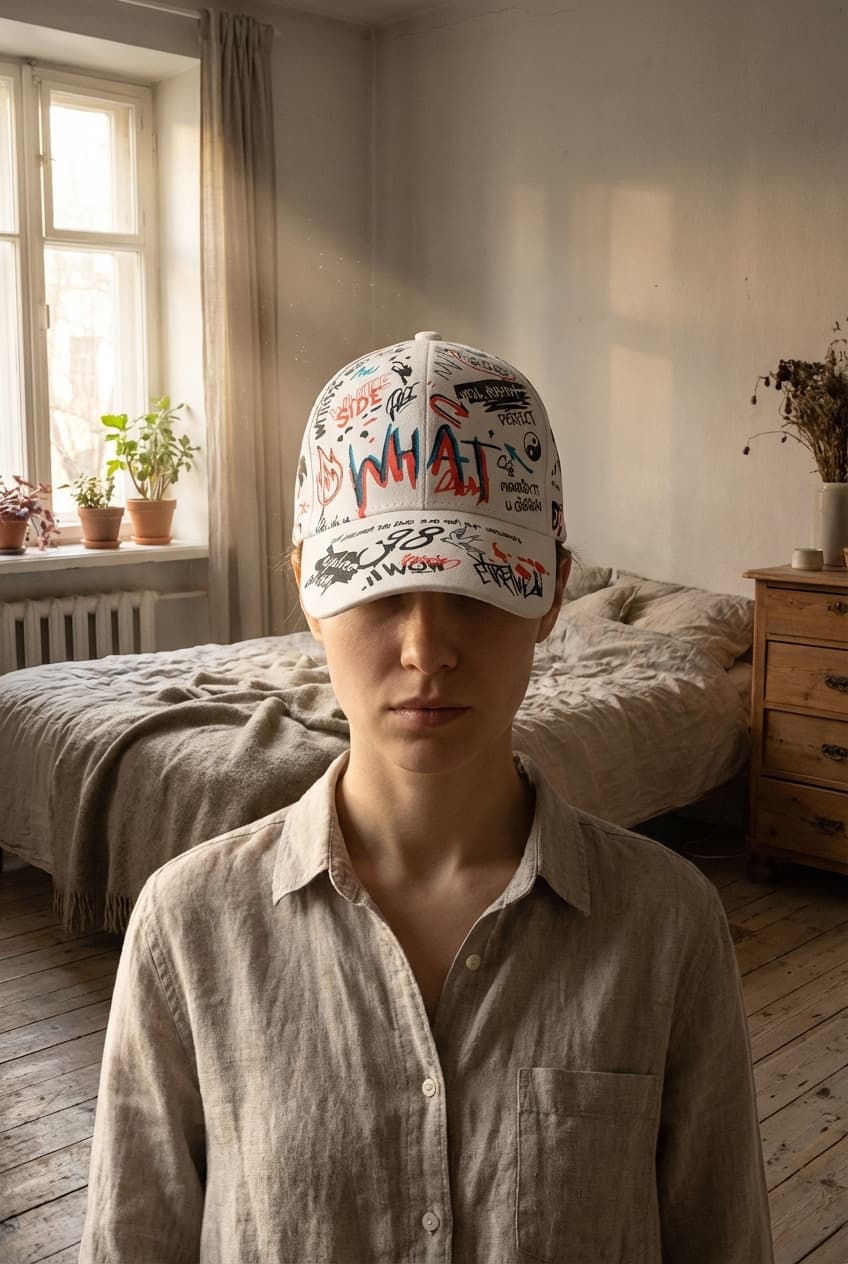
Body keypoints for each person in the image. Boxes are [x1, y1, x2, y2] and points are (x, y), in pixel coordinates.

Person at [81, 331, 773, 1262]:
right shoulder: (188, 930)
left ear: (552, 593)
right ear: (309, 591)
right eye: (380, 590)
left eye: (479, 590)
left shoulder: (665, 926)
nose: (426, 649)